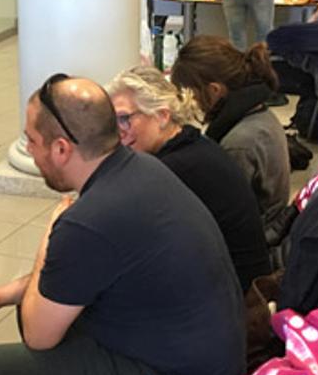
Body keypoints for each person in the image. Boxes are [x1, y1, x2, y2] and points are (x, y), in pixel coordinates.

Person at [0, 74, 245, 375]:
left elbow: (40, 334)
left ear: (61, 149)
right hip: (205, 363)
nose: (29, 150)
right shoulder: (138, 170)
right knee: (44, 332)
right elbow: (75, 279)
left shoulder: (88, 220)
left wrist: (52, 229)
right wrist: (0, 295)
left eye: (32, 141)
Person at [106, 66, 273, 290]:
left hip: (232, 299)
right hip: (232, 284)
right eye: (113, 122)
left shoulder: (174, 170)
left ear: (162, 116)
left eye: (125, 119)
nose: (119, 132)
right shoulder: (193, 145)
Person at [171, 35, 291, 245]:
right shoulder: (261, 115)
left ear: (214, 90)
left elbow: (222, 214)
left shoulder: (239, 144)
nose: (195, 103)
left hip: (254, 242)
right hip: (268, 228)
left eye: (194, 94)